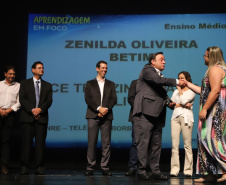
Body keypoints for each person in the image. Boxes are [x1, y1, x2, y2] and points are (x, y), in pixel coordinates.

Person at [133, 52, 179, 180]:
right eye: (161, 60)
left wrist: (169, 103)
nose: (164, 62)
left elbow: (161, 94)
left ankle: (155, 171)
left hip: (157, 114)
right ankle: (141, 171)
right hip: (145, 113)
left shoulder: (160, 75)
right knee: (143, 143)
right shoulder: (148, 69)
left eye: (164, 60)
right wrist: (177, 82)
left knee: (156, 145)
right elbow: (158, 81)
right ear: (153, 62)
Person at [183, 46, 226, 182]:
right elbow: (205, 90)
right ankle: (210, 172)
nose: (204, 57)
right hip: (213, 109)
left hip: (215, 110)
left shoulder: (215, 69)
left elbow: (214, 92)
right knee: (204, 139)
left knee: (214, 139)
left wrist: (205, 109)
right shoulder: (216, 70)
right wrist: (188, 84)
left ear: (212, 57)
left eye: (206, 55)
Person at [19, 61, 53, 175]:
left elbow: (49, 101)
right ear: (33, 70)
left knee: (40, 144)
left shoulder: (48, 85)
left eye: (42, 68)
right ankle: (24, 166)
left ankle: (39, 166)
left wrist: (40, 110)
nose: (42, 70)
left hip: (41, 118)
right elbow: (22, 99)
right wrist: (32, 110)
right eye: (39, 68)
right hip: (27, 117)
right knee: (26, 143)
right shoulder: (24, 83)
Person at [84, 60, 117, 176]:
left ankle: (105, 167)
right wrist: (98, 109)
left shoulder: (111, 84)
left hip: (106, 116)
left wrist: (105, 109)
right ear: (97, 69)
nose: (105, 70)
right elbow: (88, 99)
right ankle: (90, 167)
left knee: (106, 144)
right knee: (92, 143)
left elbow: (114, 99)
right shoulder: (89, 83)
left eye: (106, 68)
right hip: (93, 115)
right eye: (102, 68)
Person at [170, 71, 196, 178]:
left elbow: (184, 100)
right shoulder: (175, 91)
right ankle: (174, 169)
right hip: (175, 118)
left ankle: (188, 170)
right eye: (179, 78)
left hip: (187, 118)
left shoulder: (192, 91)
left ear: (187, 79)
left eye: (182, 78)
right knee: (174, 145)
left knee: (187, 145)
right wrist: (182, 104)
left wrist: (181, 100)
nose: (180, 80)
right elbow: (172, 104)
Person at [0, 65, 20, 174]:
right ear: (5, 74)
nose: (12, 76)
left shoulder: (18, 86)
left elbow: (19, 102)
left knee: (5, 141)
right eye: (10, 74)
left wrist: (8, 111)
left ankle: (4, 165)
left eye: (13, 74)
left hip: (10, 115)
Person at [125, 79, 138, 176]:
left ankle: (145, 167)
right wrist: (142, 108)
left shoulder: (154, 82)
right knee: (135, 143)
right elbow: (130, 98)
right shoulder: (135, 82)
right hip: (137, 116)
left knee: (149, 144)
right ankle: (132, 167)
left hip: (150, 117)